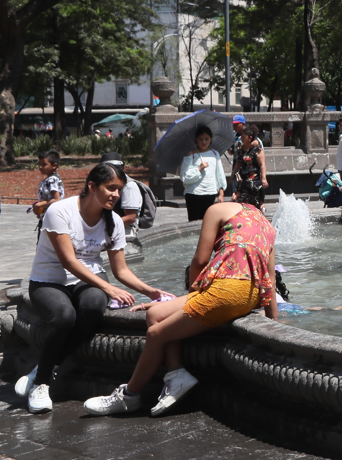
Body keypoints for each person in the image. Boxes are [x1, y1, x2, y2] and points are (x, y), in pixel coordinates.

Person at [84, 180, 277, 417]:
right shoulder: (268, 226)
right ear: (261, 203)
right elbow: (270, 280)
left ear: (235, 195)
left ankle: (129, 397)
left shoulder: (218, 209)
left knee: (156, 334)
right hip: (247, 296)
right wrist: (273, 324)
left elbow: (199, 260)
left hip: (226, 292)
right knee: (155, 314)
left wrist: (195, 295)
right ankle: (176, 373)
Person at [16, 163, 170, 413]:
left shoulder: (115, 223)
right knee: (64, 316)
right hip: (48, 280)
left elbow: (120, 270)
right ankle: (41, 385)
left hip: (87, 281)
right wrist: (109, 289)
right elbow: (68, 261)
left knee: (95, 306)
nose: (116, 195)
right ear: (92, 186)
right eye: (111, 188)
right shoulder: (60, 211)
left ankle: (43, 369)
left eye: (119, 190)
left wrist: (150, 291)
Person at [180, 125, 226, 222]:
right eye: (200, 139)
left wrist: (221, 193)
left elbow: (219, 174)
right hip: (194, 193)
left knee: (208, 221)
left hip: (210, 193)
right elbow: (184, 176)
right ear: (196, 139)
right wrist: (199, 168)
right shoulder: (190, 155)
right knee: (194, 221)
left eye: (206, 139)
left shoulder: (215, 154)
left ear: (211, 139)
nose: (203, 142)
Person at [102, 152, 142, 238]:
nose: (111, 171)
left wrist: (102, 228)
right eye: (107, 168)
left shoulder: (129, 186)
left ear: (123, 168)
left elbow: (130, 218)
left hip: (125, 230)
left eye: (115, 168)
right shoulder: (101, 184)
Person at [232, 124, 269, 199]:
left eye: (244, 136)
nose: (241, 138)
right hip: (242, 180)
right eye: (241, 136)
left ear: (250, 138)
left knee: (253, 200)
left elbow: (262, 165)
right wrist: (233, 174)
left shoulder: (257, 150)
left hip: (254, 180)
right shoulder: (240, 149)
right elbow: (238, 162)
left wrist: (264, 178)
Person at [32, 150, 64, 218]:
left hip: (53, 217)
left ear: (54, 165)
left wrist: (39, 205)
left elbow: (56, 199)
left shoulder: (52, 180)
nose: (40, 167)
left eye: (44, 164)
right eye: (39, 164)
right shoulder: (50, 179)